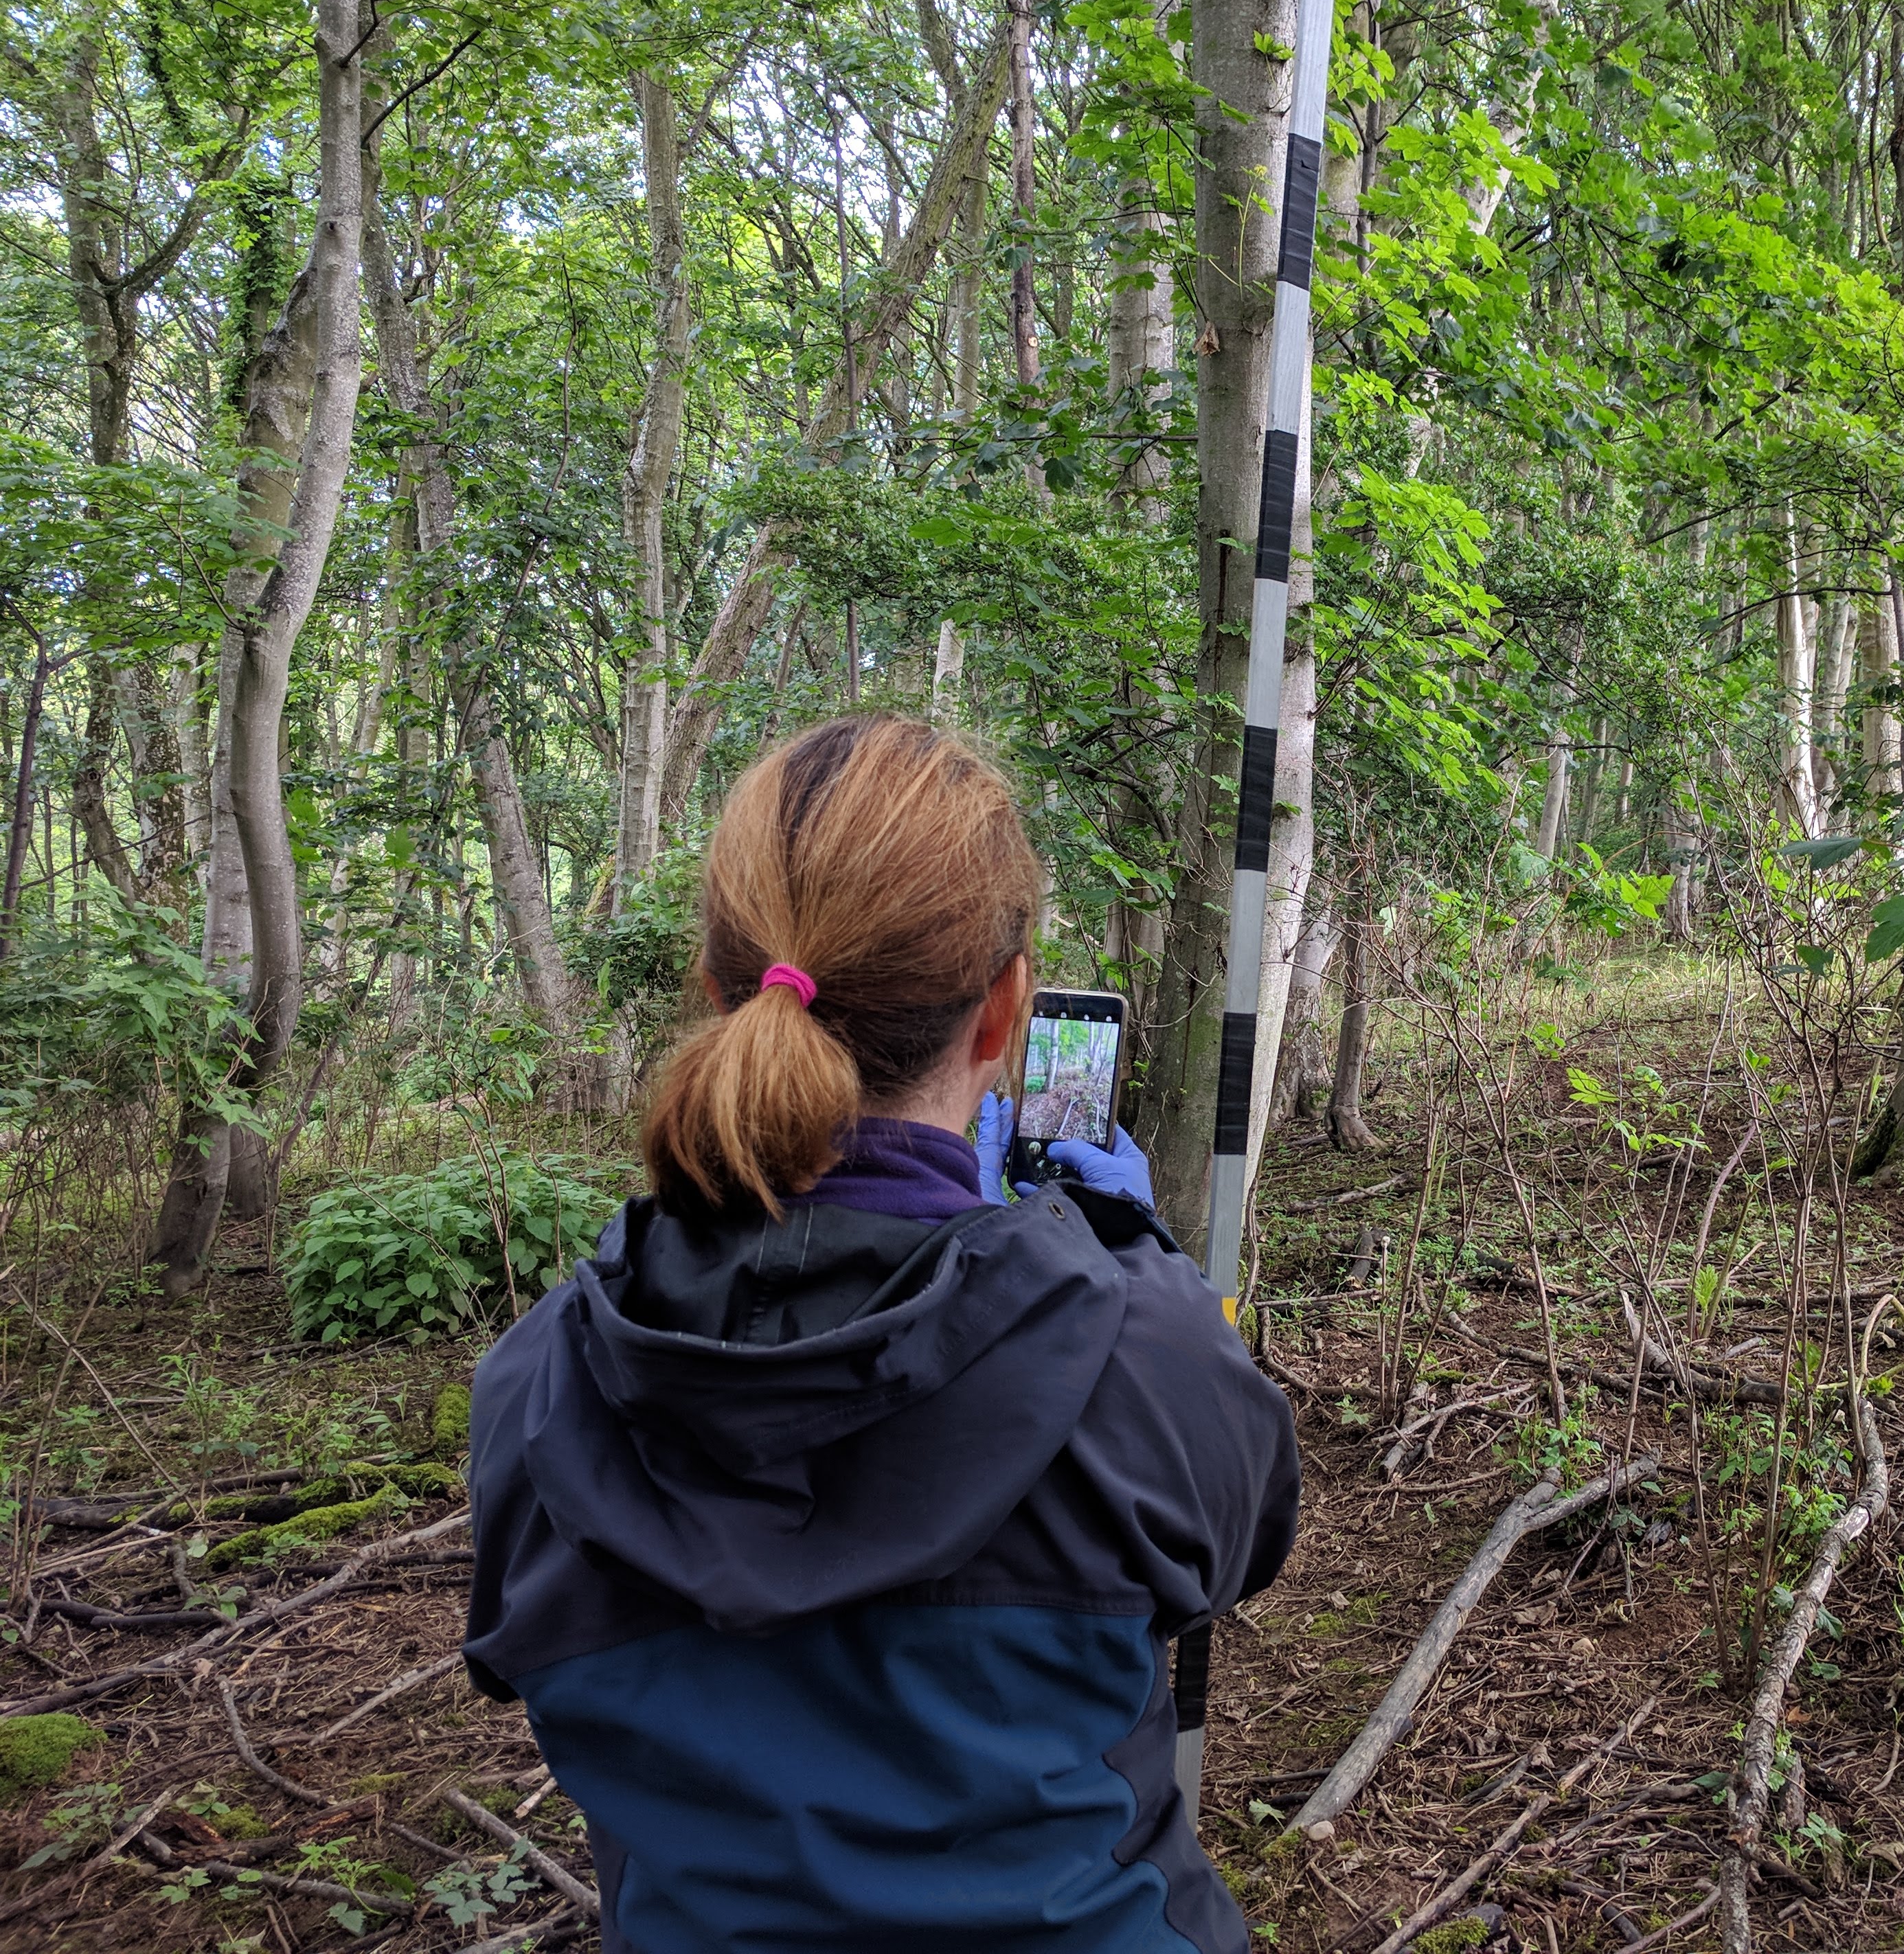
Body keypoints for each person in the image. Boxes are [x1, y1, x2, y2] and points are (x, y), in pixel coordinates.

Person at [463, 715, 1298, 1953]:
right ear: (1004, 1010)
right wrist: (1121, 1260)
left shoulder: (537, 1387)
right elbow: (1246, 1545)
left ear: (716, 990)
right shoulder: (1137, 1351)